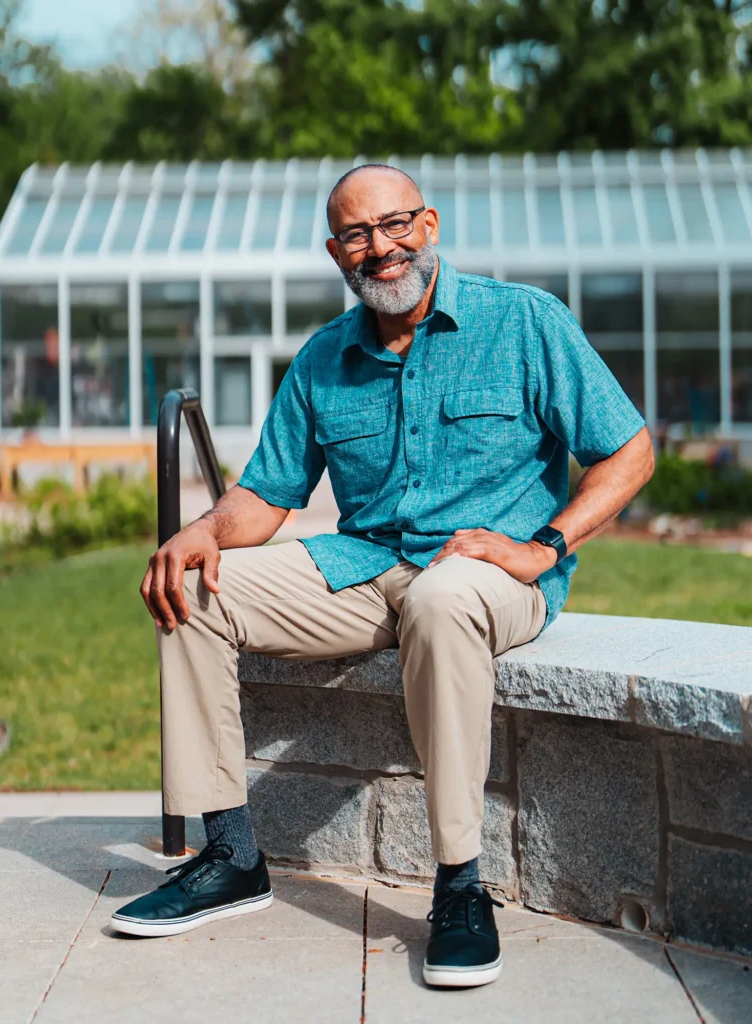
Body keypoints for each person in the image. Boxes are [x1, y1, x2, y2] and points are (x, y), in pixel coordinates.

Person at [110, 164, 655, 988]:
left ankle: (460, 885)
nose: (381, 249)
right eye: (358, 235)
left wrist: (543, 545)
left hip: (487, 573)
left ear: (427, 225)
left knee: (440, 596)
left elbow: (628, 450)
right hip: (365, 567)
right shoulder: (324, 358)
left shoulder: (523, 323)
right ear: (337, 252)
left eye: (395, 225)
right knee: (193, 589)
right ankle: (229, 855)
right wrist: (203, 531)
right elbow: (265, 495)